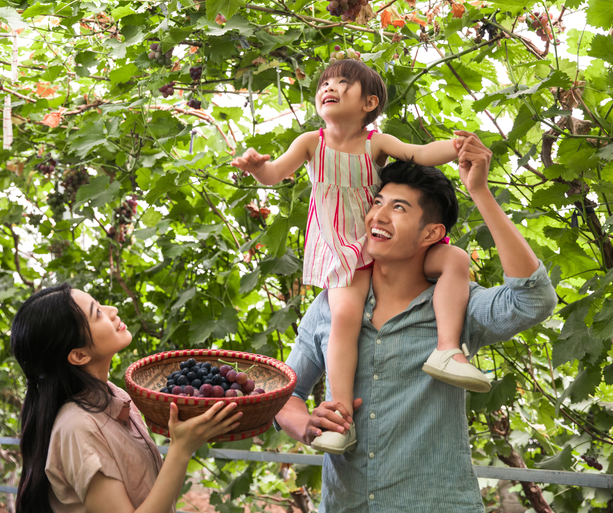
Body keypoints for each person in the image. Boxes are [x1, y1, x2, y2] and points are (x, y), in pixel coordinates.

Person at [275, 134, 558, 512]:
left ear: (431, 234)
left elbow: (534, 300)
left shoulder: (458, 305)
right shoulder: (331, 305)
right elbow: (283, 394)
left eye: (399, 208)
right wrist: (307, 425)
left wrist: (481, 193)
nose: (378, 215)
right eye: (377, 202)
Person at [232, 59, 489, 454]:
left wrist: (456, 148)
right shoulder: (310, 142)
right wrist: (256, 169)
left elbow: (419, 153)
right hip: (340, 248)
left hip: (380, 241)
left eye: (342, 83)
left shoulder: (376, 143)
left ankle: (447, 350)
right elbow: (275, 175)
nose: (329, 87)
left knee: (453, 257)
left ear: (370, 102)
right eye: (325, 83)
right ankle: (340, 416)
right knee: (346, 319)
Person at [11, 284, 242, 513]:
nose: (112, 311)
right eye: (98, 313)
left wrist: (183, 440)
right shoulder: (78, 428)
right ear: (79, 355)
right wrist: (181, 449)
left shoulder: (115, 396)